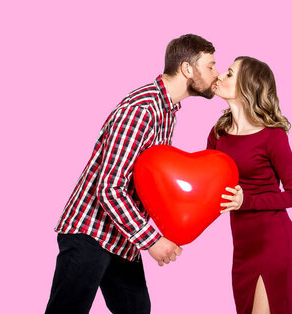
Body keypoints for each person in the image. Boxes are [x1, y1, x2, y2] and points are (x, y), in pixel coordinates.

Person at [46, 34, 219, 314]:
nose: (216, 73)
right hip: (91, 231)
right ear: (188, 69)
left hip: (122, 238)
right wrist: (152, 240)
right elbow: (109, 188)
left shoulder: (167, 110)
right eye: (210, 66)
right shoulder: (142, 110)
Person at [209, 56, 292, 314]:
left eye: (229, 74)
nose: (219, 76)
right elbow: (207, 182)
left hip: (273, 243)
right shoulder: (218, 132)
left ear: (247, 87)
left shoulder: (272, 136)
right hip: (242, 248)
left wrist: (246, 201)